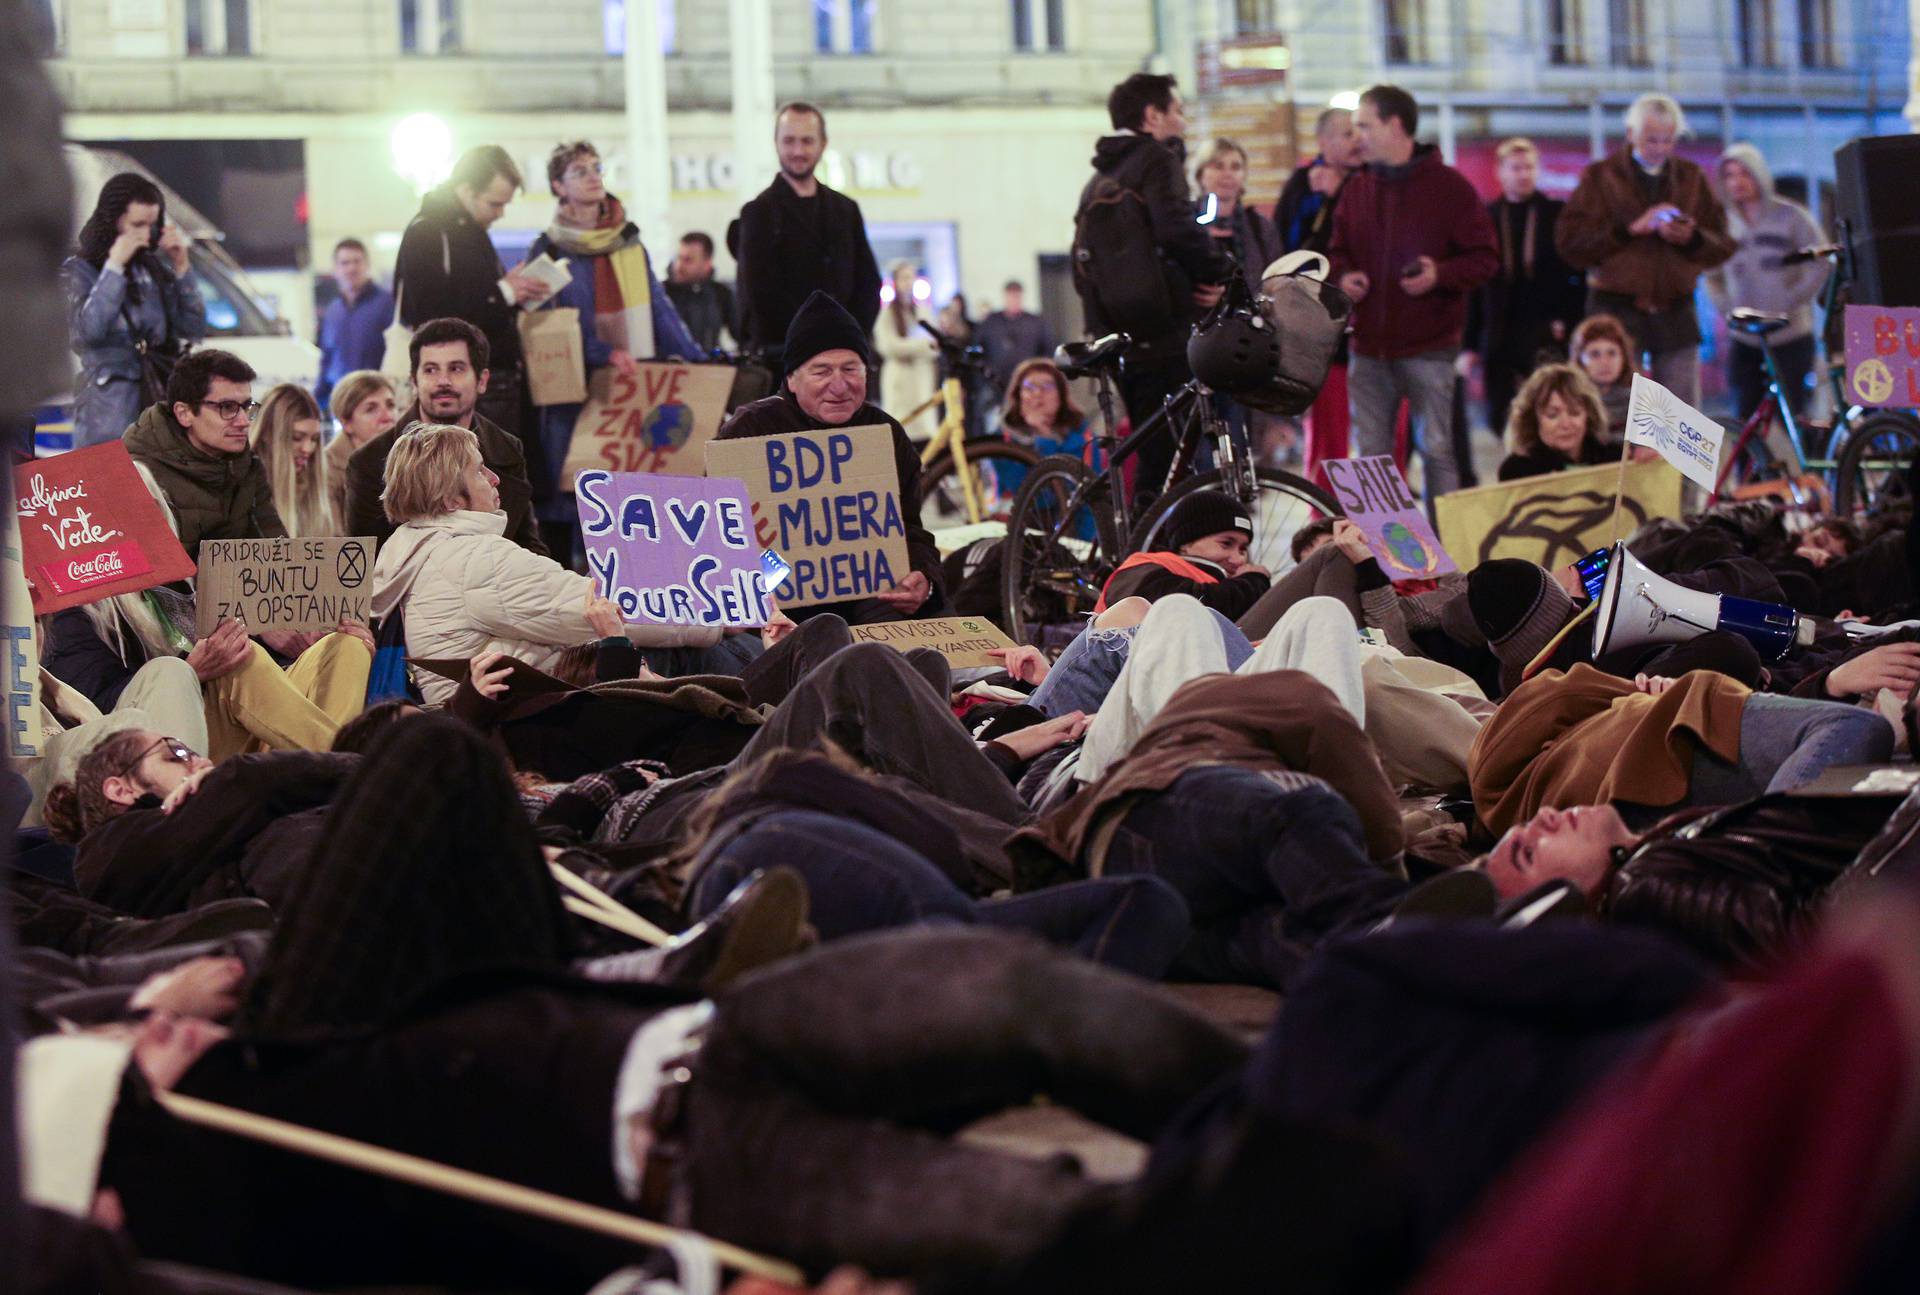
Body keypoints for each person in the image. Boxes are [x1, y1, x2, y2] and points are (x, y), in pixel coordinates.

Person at [370, 423, 723, 707]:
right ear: (449, 500)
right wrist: (717, 616)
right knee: (702, 651)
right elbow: (603, 611)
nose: (494, 478)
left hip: (482, 716)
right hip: (527, 719)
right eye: (479, 471)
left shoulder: (411, 553)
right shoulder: (475, 559)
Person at [713, 290, 946, 625]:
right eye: (822, 371)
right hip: (777, 608)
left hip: (871, 599)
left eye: (851, 369)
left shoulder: (884, 432)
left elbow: (910, 528)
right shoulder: (748, 431)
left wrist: (924, 577)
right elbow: (720, 541)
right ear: (791, 379)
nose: (839, 386)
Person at [522, 141, 703, 556]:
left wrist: (697, 359)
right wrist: (602, 352)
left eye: (596, 167)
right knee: (578, 502)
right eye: (579, 171)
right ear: (558, 186)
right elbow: (542, 326)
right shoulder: (547, 249)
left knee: (631, 503)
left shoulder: (627, 242)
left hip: (628, 389)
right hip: (574, 396)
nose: (592, 176)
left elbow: (658, 308)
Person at [1329, 85, 1498, 505]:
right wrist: (1345, 275)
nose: (1357, 138)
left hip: (1430, 348)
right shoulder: (1356, 189)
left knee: (1438, 452)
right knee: (1371, 461)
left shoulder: (1450, 188)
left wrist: (1439, 274)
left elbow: (1485, 258)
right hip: (1368, 348)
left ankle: (1450, 560)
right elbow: (1336, 251)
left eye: (1364, 126)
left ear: (1395, 125)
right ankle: (1385, 561)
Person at [1074, 72, 1232, 501]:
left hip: (1123, 336)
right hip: (1164, 329)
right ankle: (1156, 558)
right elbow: (1177, 229)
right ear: (1152, 115)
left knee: (1155, 455)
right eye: (1177, 111)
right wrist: (1222, 274)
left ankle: (1146, 549)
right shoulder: (1155, 161)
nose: (1182, 121)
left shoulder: (1100, 178)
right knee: (1173, 462)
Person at [1556, 94, 1735, 405]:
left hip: (1676, 311)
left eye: (1669, 140)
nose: (1661, 149)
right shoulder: (1600, 177)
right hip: (1615, 312)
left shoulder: (1691, 178)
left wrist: (1690, 238)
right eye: (1652, 140)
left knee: (1681, 421)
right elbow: (1570, 245)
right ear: (1630, 134)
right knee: (1615, 412)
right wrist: (1629, 230)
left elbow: (1723, 245)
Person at [342, 317, 546, 554]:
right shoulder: (370, 461)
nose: (443, 382)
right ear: (414, 382)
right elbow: (366, 566)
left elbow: (528, 543)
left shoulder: (506, 449)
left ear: (482, 380)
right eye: (430, 370)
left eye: (456, 368)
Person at [393, 145, 555, 441]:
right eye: (494, 204)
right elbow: (429, 315)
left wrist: (511, 290)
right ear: (467, 190)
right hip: (463, 388)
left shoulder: (470, 232)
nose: (500, 213)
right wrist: (504, 292)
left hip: (493, 382)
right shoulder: (429, 232)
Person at [64, 173, 206, 450]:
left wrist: (181, 266)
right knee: (109, 488)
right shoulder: (79, 270)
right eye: (137, 225)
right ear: (113, 221)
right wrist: (114, 268)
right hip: (108, 413)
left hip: (159, 407)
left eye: (153, 225)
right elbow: (87, 331)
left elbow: (193, 327)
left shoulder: (152, 270)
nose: (146, 234)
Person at [734, 102, 882, 364]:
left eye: (807, 141)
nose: (798, 151)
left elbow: (868, 283)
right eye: (789, 141)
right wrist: (812, 345)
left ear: (823, 144)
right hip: (783, 362)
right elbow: (760, 295)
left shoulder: (846, 210)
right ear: (776, 143)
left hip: (844, 357)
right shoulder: (758, 213)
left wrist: (850, 340)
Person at [1463, 139, 1587, 437]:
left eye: (1529, 167)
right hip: (1499, 329)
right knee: (1499, 413)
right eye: (1516, 168)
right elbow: (1474, 285)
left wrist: (1569, 324)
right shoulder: (1484, 217)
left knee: (1549, 405)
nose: (1523, 174)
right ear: (1500, 172)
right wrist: (1469, 344)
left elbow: (1576, 275)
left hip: (1545, 328)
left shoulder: (1557, 214)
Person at [121, 349, 285, 560]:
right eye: (227, 407)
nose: (244, 421)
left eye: (246, 407)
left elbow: (278, 556)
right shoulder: (139, 475)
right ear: (185, 413)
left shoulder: (246, 466)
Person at [1276, 108, 1367, 485]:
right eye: (1348, 133)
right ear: (1324, 142)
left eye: (1360, 130)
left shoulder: (1370, 181)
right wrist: (1322, 202)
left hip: (1373, 331)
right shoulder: (1303, 184)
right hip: (1323, 334)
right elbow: (1288, 254)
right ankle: (1325, 520)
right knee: (1329, 435)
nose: (1358, 140)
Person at [1707, 143, 1827, 423]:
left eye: (1744, 174)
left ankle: (1810, 467)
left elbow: (1820, 260)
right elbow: (1710, 272)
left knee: (1795, 417)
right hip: (1743, 338)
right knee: (1744, 416)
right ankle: (1752, 467)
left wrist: (1794, 297)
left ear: (1759, 175)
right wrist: (1726, 306)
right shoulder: (1722, 224)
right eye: (1730, 175)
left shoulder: (1791, 217)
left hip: (1790, 335)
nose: (1737, 182)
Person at [1093, 489, 1271, 619]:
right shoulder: (1141, 568)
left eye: (1243, 549)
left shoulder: (1224, 581)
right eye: (1226, 544)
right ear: (1186, 544)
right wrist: (1254, 581)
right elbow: (1196, 609)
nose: (1239, 559)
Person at [1496, 363, 1616, 481]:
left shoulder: (1614, 459)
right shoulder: (1517, 470)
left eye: (1574, 413)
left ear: (1589, 416)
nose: (1565, 424)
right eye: (1552, 415)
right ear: (1533, 420)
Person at [996, 357, 1095, 498]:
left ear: (1060, 395)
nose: (1037, 394)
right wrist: (1040, 438)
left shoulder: (1083, 436)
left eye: (1047, 387)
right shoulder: (1003, 441)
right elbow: (1029, 496)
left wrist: (1045, 435)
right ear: (1018, 396)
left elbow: (1084, 494)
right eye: (1029, 387)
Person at [313, 238, 393, 411]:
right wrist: (319, 400)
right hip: (340, 404)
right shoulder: (333, 311)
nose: (351, 268)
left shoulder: (387, 304)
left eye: (357, 261)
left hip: (375, 404)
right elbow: (327, 358)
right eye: (345, 263)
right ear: (336, 269)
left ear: (367, 265)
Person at [248, 383, 336, 536]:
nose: (308, 448)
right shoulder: (243, 488)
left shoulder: (315, 486)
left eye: (314, 439)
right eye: (297, 438)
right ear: (267, 434)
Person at [874, 260, 939, 441]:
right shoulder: (886, 315)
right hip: (899, 383)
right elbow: (888, 346)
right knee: (902, 431)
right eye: (903, 278)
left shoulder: (923, 312)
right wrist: (920, 346)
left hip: (921, 381)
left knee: (924, 433)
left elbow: (934, 346)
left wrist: (913, 346)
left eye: (911, 277)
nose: (908, 282)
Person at [324, 369, 397, 529]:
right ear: (346, 423)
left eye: (391, 405)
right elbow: (332, 538)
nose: (387, 416)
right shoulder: (326, 470)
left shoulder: (407, 459)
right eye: (371, 409)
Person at [974, 280, 1055, 411]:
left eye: (1017, 296)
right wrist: (984, 377)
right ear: (1005, 297)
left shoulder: (1034, 323)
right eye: (1011, 296)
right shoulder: (991, 322)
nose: (1014, 300)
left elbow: (1047, 351)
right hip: (996, 387)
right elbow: (978, 351)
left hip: (1028, 385)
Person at [663, 230, 736, 353]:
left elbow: (742, 334)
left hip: (709, 367)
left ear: (707, 263)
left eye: (688, 260)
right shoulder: (662, 294)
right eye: (679, 258)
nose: (679, 266)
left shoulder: (721, 294)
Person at [1570, 313, 1637, 437]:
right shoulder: (1569, 403)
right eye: (1595, 354)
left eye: (1611, 353)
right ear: (1580, 360)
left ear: (1624, 357)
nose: (1604, 362)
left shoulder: (1639, 404)